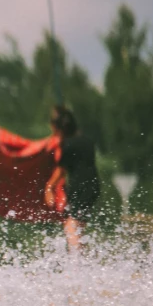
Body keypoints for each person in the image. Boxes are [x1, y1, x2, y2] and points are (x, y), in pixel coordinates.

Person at [44, 105, 99, 249]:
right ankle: (82, 256)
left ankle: (77, 259)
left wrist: (49, 187)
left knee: (71, 226)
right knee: (79, 227)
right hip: (93, 186)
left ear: (57, 128)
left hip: (79, 187)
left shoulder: (67, 145)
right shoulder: (87, 141)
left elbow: (61, 170)